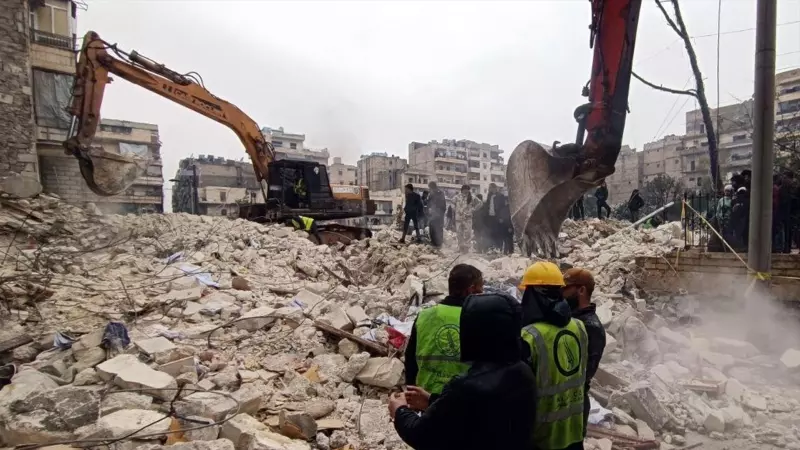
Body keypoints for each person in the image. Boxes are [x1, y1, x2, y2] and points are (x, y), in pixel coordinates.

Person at [390, 292, 537, 450]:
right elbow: (479, 413)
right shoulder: (523, 372)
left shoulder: (465, 387)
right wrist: (432, 400)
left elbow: (422, 435)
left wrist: (400, 410)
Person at [518, 261, 588, 450]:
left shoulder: (529, 336)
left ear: (533, 295)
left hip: (542, 436)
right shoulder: (579, 327)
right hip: (573, 430)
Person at [404, 264, 483, 396]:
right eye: (480, 289)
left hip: (425, 397)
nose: (482, 293)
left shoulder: (424, 315)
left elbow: (410, 358)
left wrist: (412, 393)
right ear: (471, 290)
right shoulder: (479, 318)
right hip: (464, 399)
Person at [562, 268, 606, 435]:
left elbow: (585, 372)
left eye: (565, 289)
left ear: (581, 290)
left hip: (575, 404)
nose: (561, 293)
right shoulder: (570, 318)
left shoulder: (590, 327)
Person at [453, 185, 482, 253]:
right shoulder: (457, 197)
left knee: (468, 233)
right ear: (462, 190)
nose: (466, 191)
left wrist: (473, 209)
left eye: (467, 189)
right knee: (459, 233)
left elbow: (480, 203)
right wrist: (455, 209)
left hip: (467, 218)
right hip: (459, 218)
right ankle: (460, 247)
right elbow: (452, 203)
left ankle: (466, 248)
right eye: (465, 189)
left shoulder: (472, 197)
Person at [427, 182, 447, 248]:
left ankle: (438, 243)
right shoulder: (432, 194)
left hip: (438, 214)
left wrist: (437, 212)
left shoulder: (439, 193)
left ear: (432, 187)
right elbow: (429, 203)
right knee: (433, 228)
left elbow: (442, 205)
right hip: (434, 214)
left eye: (429, 188)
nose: (429, 189)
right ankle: (434, 242)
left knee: (438, 228)